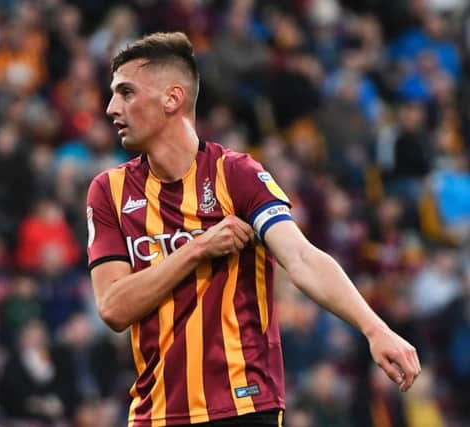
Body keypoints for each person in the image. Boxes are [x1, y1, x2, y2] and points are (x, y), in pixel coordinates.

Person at [86, 32, 421, 427]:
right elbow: (112, 307)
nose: (111, 108)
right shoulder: (109, 191)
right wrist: (197, 248)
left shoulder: (236, 174)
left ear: (172, 99)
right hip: (155, 414)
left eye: (126, 93)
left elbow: (300, 256)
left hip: (243, 407)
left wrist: (375, 329)